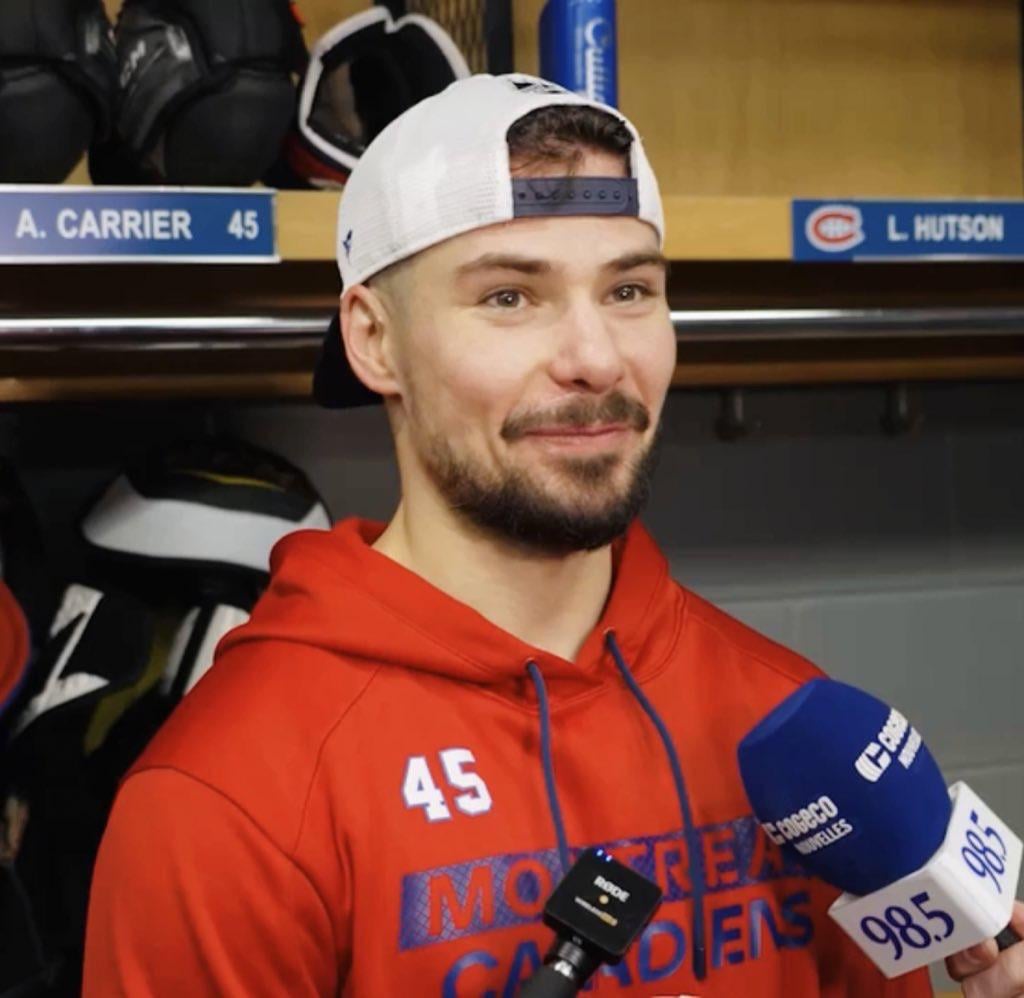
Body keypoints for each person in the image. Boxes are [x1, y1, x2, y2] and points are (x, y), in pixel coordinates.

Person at [83, 73, 1022, 997]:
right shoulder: (227, 798)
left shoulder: (791, 731)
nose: (596, 358)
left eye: (629, 290)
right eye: (510, 297)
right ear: (374, 341)